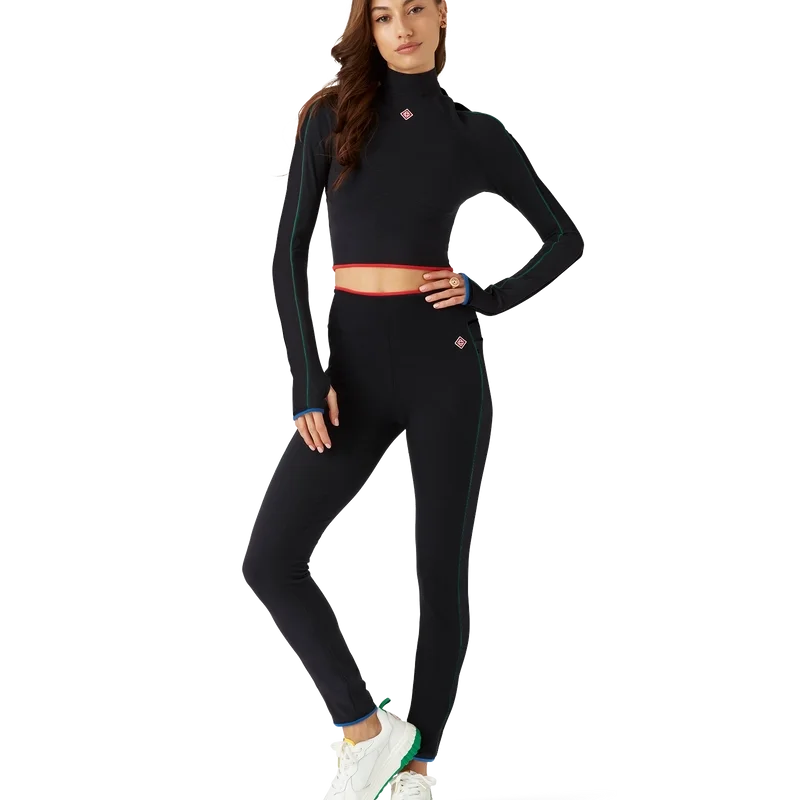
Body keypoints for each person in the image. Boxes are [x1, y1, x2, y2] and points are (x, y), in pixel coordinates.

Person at [244, 0, 584, 797]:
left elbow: (564, 238)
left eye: (417, 10)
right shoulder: (331, 119)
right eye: (386, 15)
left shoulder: (474, 133)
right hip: (352, 379)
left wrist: (486, 296)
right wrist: (308, 380)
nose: (403, 28)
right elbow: (289, 253)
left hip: (446, 371)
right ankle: (367, 731)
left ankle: (420, 766)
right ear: (369, 26)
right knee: (270, 560)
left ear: (443, 17)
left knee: (439, 575)